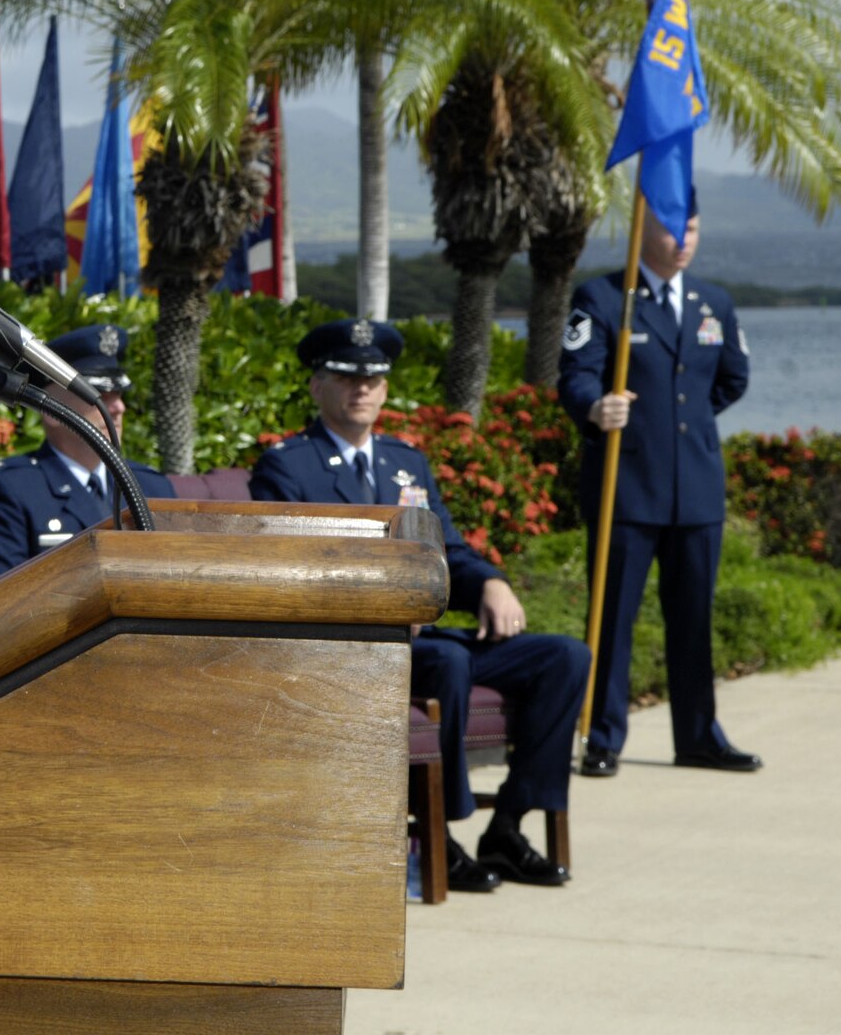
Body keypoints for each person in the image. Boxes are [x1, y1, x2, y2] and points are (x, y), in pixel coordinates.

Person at [250, 319, 588, 895]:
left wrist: (490, 583)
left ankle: (508, 825)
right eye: (346, 377)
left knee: (564, 658)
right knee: (449, 666)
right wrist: (385, 601)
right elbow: (296, 567)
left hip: (423, 639)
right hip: (356, 645)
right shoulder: (289, 466)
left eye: (374, 379)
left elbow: (447, 549)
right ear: (316, 387)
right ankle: (441, 837)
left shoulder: (406, 463)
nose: (363, 389)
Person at [558, 191, 756, 778]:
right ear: (642, 230)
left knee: (694, 620)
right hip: (627, 487)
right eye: (673, 228)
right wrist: (597, 409)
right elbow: (575, 376)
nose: (684, 239)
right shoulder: (602, 298)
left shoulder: (713, 302)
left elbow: (731, 379)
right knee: (613, 619)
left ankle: (698, 735)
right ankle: (602, 736)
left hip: (695, 490)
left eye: (693, 226)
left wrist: (679, 430)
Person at [0, 324, 177, 596]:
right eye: (99, 395)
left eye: (118, 394)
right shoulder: (12, 491)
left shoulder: (152, 486)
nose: (118, 407)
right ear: (51, 411)